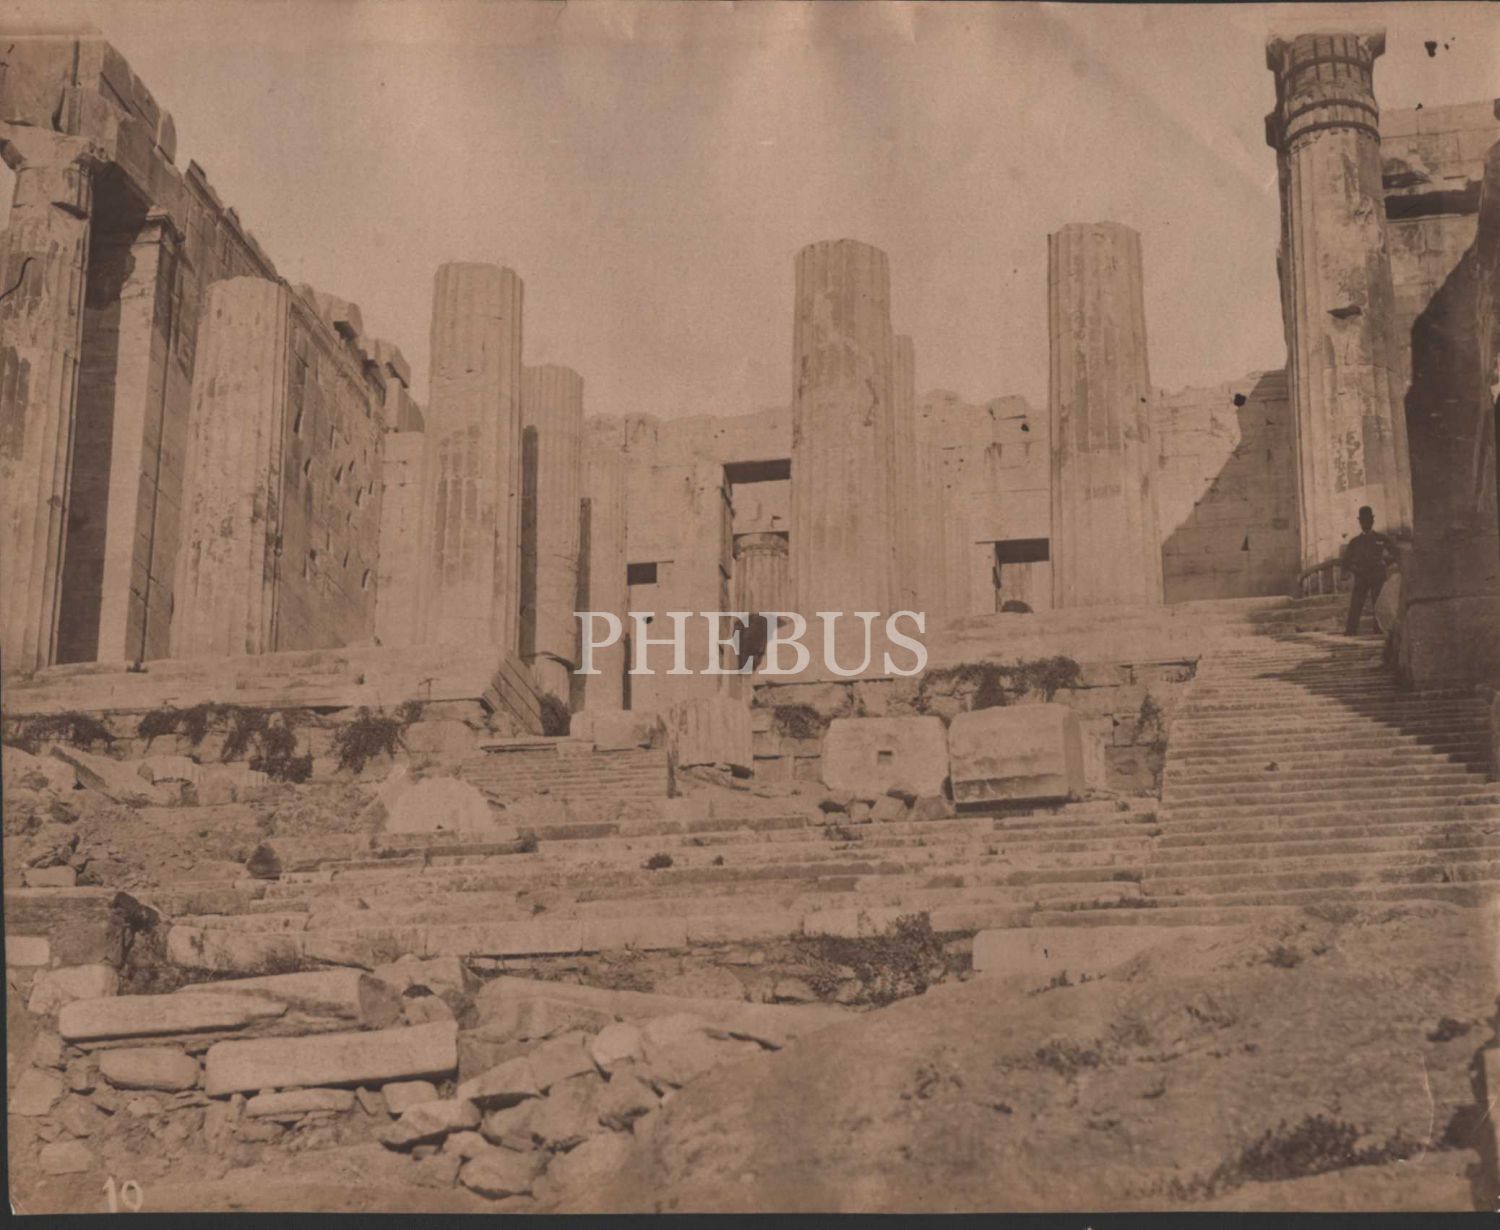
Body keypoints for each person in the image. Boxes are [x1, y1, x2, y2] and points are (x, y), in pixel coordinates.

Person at [1340, 506, 1398, 636]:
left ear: (1372, 520)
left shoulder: (1381, 538)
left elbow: (1395, 553)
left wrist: (1385, 562)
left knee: (1378, 602)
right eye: (1363, 520)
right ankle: (1351, 630)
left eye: (1368, 520)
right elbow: (1346, 561)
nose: (1366, 523)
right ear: (1360, 522)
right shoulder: (1355, 542)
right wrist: (1354, 570)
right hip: (1361, 575)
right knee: (1356, 603)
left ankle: (1379, 629)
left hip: (1378, 575)